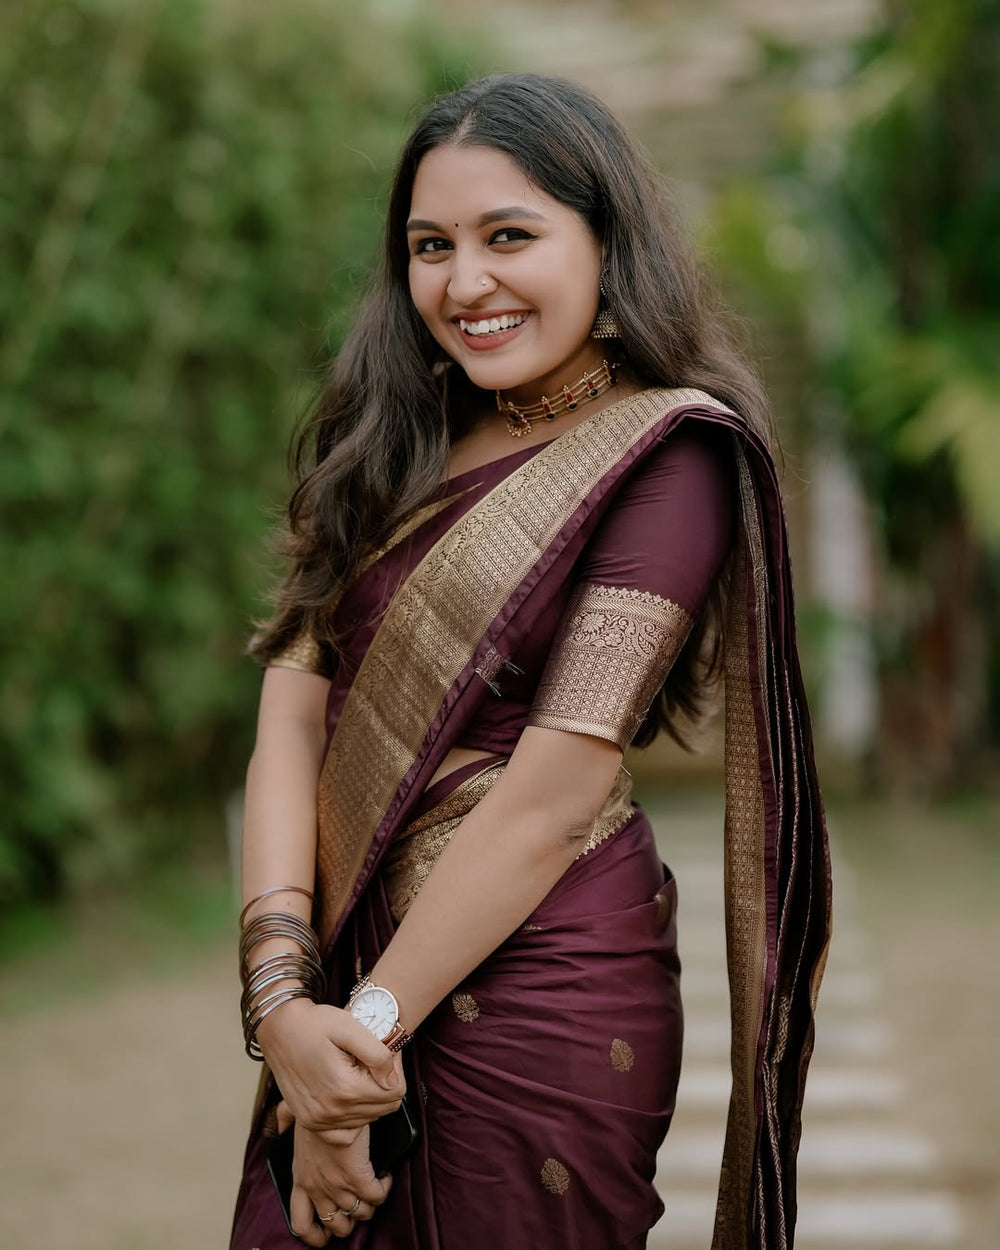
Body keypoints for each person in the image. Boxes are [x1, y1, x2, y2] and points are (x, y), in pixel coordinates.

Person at [230, 73, 830, 1250]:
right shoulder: (385, 440)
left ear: (609, 242)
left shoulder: (668, 452)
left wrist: (360, 1036)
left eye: (510, 235)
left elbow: (555, 794)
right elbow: (291, 724)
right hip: (336, 979)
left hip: (539, 983)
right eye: (430, 245)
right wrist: (280, 1006)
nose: (466, 283)